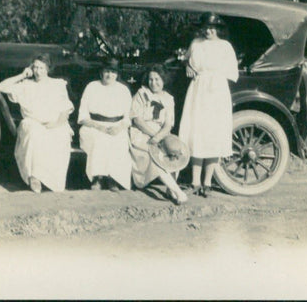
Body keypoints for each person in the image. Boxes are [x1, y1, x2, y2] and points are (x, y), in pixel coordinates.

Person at [179, 12, 239, 198]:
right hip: (198, 89)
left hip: (217, 92)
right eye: (205, 28)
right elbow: (184, 59)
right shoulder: (196, 43)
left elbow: (231, 71)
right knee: (197, 132)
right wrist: (188, 65)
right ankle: (195, 181)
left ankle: (208, 182)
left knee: (213, 134)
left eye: (212, 28)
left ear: (218, 29)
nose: (208, 31)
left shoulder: (225, 46)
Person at [0, 54, 74, 193]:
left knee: (61, 135)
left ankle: (51, 180)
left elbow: (65, 110)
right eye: (35, 67)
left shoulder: (57, 84)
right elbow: (0, 87)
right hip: (33, 122)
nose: (38, 71)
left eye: (42, 68)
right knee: (35, 134)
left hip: (55, 123)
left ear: (48, 69)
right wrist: (22, 75)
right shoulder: (26, 85)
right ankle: (35, 178)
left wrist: (56, 124)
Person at [129, 65, 189, 205]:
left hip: (161, 133)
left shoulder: (168, 98)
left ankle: (171, 190)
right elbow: (137, 120)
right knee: (156, 158)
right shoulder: (141, 94)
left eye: (157, 79)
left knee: (175, 151)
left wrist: (159, 136)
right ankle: (178, 192)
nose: (153, 83)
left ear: (163, 80)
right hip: (142, 133)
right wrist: (153, 136)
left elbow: (168, 124)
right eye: (150, 79)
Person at [77, 57, 133, 192]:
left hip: (117, 126)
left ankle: (113, 178)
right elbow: (83, 116)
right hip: (93, 125)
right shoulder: (92, 87)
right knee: (99, 139)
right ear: (101, 72)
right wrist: (99, 127)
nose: (109, 75)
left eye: (113, 72)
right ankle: (97, 178)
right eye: (107, 71)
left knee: (118, 139)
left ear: (117, 74)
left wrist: (119, 127)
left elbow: (128, 118)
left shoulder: (123, 90)